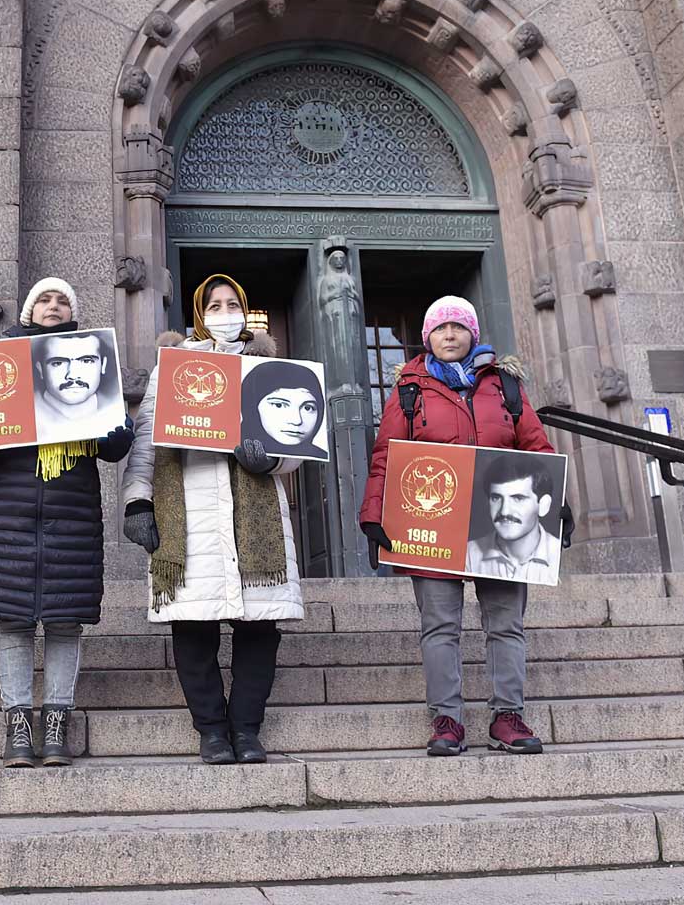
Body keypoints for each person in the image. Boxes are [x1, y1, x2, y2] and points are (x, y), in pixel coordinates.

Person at [359, 295, 574, 758]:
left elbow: (535, 446)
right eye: (441, 328)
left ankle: (507, 716)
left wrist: (557, 505)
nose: (450, 334)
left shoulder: (505, 387)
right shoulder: (409, 391)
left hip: (500, 522)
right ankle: (447, 719)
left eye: (459, 326)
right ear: (427, 338)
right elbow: (385, 457)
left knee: (506, 623)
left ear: (473, 334)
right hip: (431, 522)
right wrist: (374, 513)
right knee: (439, 625)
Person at [0, 277, 135, 768]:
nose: (53, 305)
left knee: (65, 622)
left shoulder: (94, 367)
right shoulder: (0, 363)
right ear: (30, 311)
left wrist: (119, 431)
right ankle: (18, 724)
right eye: (44, 299)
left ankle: (56, 724)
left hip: (71, 515)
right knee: (13, 622)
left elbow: (112, 451)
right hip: (9, 514)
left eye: (62, 299)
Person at [121, 274, 305, 766]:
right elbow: (146, 441)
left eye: (232, 303)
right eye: (214, 304)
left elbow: (296, 445)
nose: (225, 312)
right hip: (190, 507)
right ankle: (211, 731)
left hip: (255, 512)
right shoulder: (174, 368)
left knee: (258, 627)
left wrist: (272, 461)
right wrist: (138, 500)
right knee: (193, 626)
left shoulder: (269, 368)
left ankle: (246, 729)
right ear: (200, 314)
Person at [466, 453, 562, 584]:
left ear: (543, 505)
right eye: (496, 498)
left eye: (518, 498)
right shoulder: (468, 556)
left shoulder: (560, 558)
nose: (504, 511)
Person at [31, 329, 119, 443]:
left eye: (86, 361)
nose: (72, 375)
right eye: (58, 363)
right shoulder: (23, 417)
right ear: (40, 369)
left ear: (103, 365)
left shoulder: (113, 412)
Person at [240, 359, 328, 460]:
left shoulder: (319, 456)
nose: (297, 420)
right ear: (251, 407)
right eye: (279, 405)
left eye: (307, 408)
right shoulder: (225, 442)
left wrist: (274, 465)